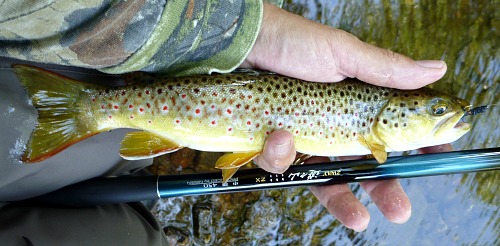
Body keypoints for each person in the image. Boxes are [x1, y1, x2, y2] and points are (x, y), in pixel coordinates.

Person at [0, 1, 450, 243]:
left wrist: (244, 32)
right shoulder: (368, 135)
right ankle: (87, 110)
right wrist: (255, 34)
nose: (444, 118)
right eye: (436, 111)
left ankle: (86, 110)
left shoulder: (369, 132)